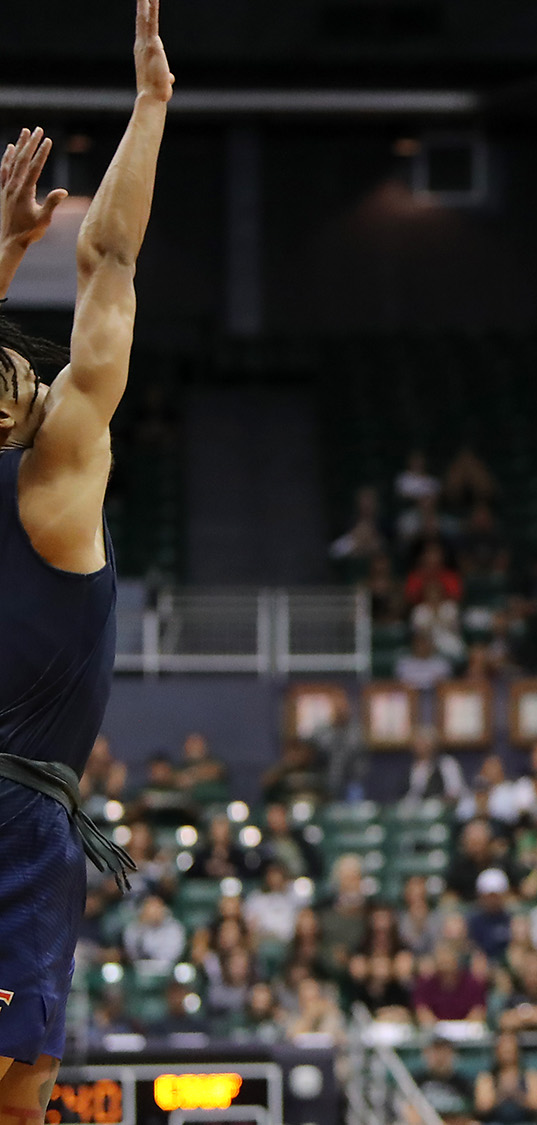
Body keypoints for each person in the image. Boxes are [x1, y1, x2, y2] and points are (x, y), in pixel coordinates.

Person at [0, 2, 169, 1107]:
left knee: (23, 1093)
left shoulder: (48, 465)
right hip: (16, 819)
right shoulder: (51, 471)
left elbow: (107, 256)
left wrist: (149, 109)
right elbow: (107, 261)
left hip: (30, 819)